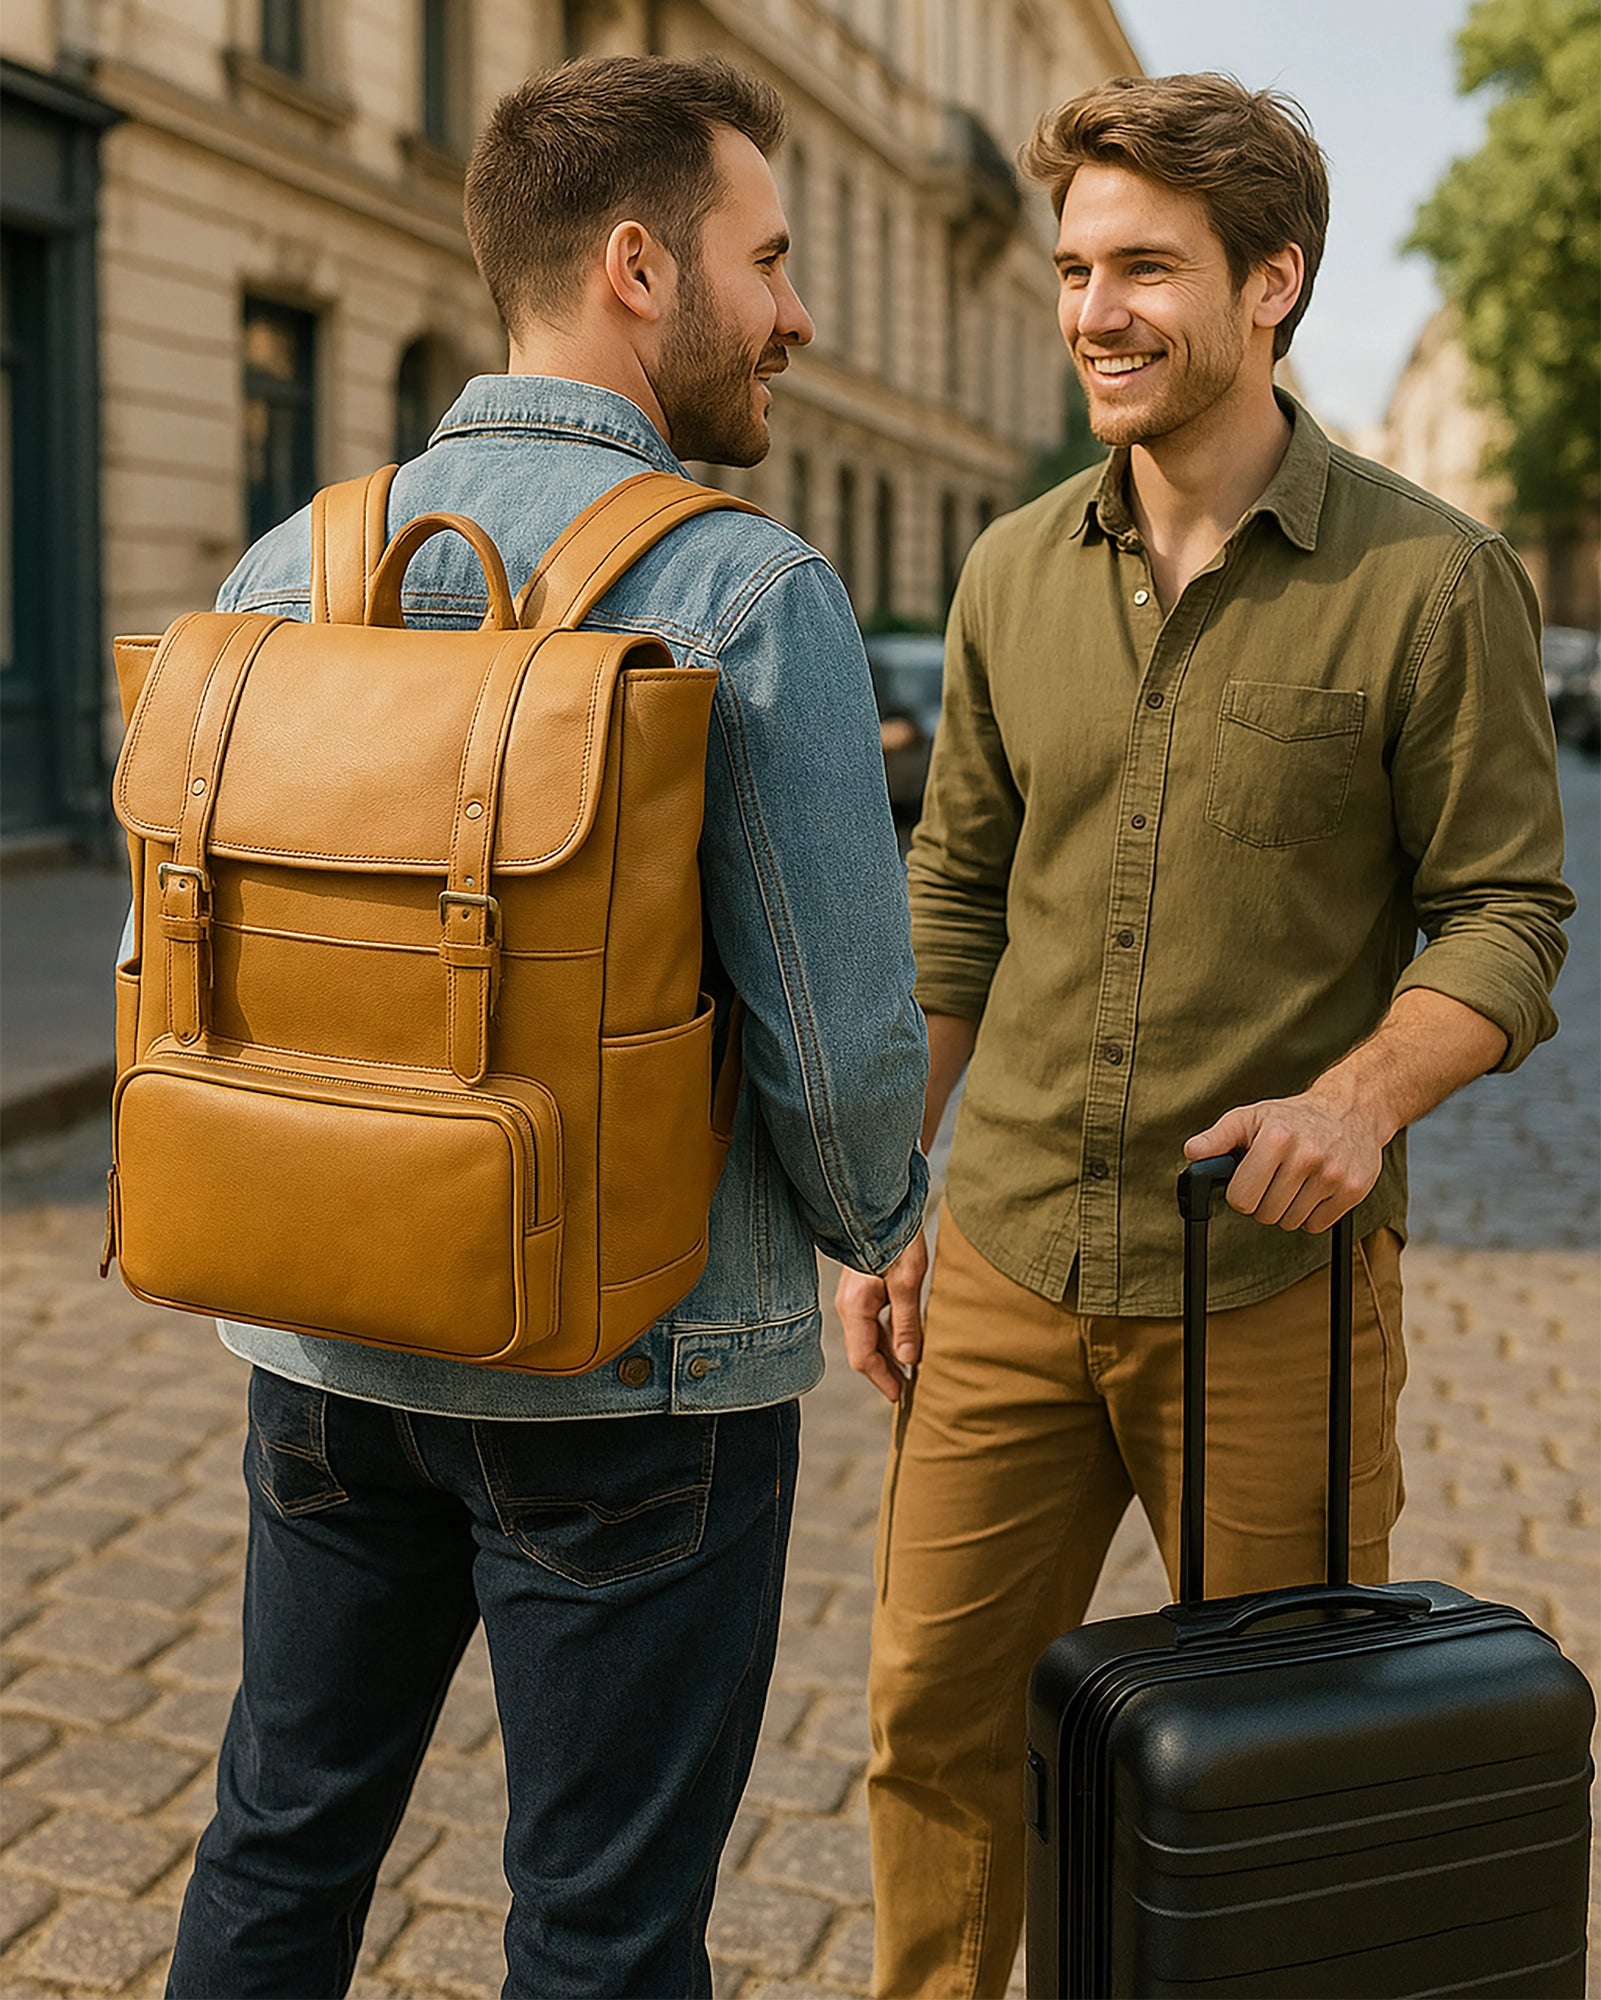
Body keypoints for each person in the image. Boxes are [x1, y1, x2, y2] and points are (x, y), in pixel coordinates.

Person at [163, 55, 929, 2000]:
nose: (798, 312)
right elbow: (837, 1079)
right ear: (638, 266)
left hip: (328, 1339)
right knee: (599, 1927)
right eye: (769, 260)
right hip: (639, 1380)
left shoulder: (290, 571)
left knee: (279, 1840)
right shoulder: (747, 591)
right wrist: (885, 1223)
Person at [834, 71, 1573, 2000]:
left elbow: (1505, 915)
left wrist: (1359, 1097)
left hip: (1266, 1286)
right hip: (996, 1255)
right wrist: (880, 1195)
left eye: (1143, 266)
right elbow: (957, 902)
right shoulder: (1006, 573)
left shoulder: (1430, 583)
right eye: (1077, 266)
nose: (1092, 307)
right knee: (931, 1720)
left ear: (1271, 286)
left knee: (1274, 1775)